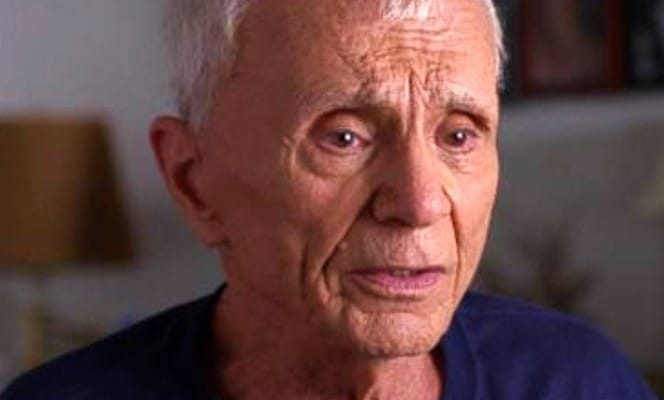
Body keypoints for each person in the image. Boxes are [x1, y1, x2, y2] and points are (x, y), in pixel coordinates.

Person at [1, 0, 658, 399]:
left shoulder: (578, 380)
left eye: (458, 135)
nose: (419, 203)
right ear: (193, 179)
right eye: (343, 137)